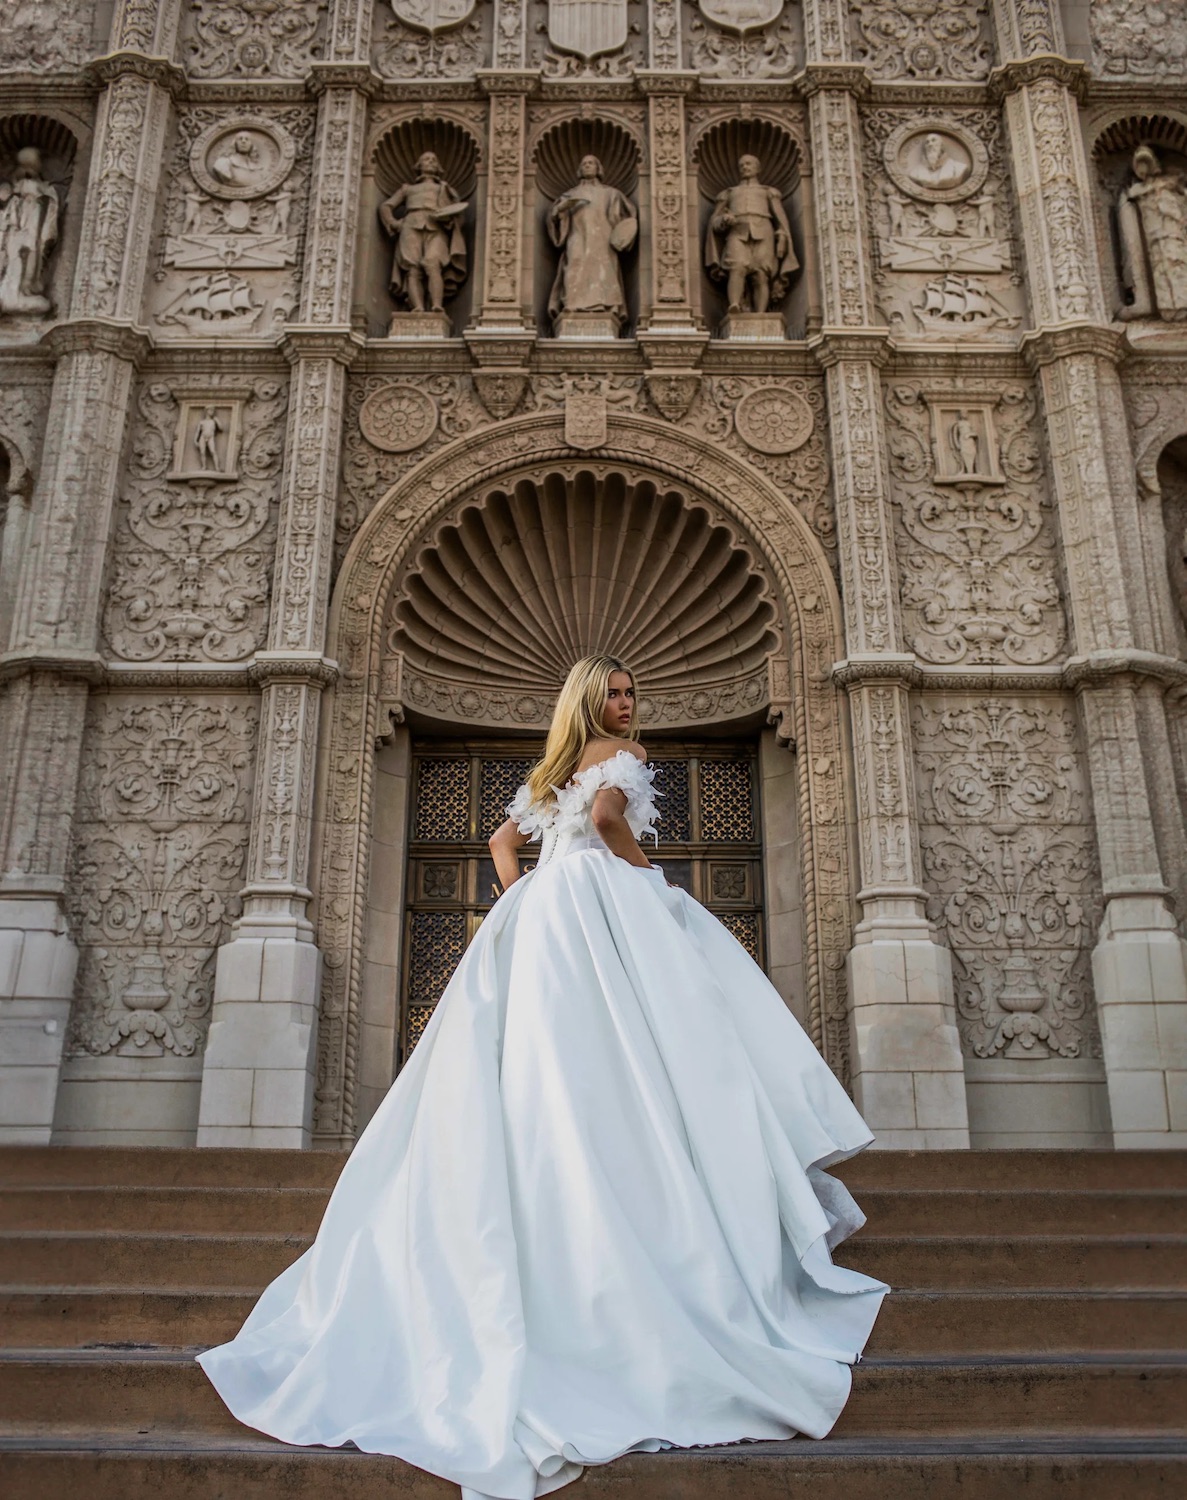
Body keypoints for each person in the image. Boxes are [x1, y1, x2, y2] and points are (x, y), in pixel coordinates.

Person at [198, 654, 888, 1500]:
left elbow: (500, 842)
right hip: (601, 906)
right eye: (615, 695)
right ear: (592, 704)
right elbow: (604, 821)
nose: (629, 705)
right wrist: (644, 877)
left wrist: (524, 890)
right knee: (646, 1045)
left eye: (632, 692)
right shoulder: (620, 763)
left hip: (541, 915)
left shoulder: (550, 769)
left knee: (542, 1059)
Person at [547, 155, 637, 331]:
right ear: (580, 169)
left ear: (598, 168)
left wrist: (623, 233)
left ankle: (606, 308)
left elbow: (629, 218)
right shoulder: (569, 195)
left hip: (603, 240)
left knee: (603, 272)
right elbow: (553, 218)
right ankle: (572, 307)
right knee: (574, 268)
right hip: (577, 238)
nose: (587, 166)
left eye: (591, 163)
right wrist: (559, 211)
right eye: (584, 164)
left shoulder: (611, 193)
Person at [705, 154, 797, 315]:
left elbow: (780, 218)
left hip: (764, 231)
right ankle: (734, 305)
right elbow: (715, 223)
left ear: (758, 168)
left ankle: (761, 313)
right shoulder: (729, 193)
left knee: (761, 274)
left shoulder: (768, 192)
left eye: (749, 164)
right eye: (741, 165)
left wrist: (782, 235)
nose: (745, 167)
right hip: (737, 232)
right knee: (737, 267)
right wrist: (724, 220)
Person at [379, 150, 468, 314]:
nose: (431, 161)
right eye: (426, 159)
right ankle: (418, 307)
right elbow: (386, 206)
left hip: (436, 226)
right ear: (418, 166)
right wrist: (393, 223)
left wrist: (450, 220)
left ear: (439, 167)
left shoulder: (444, 188)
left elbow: (458, 212)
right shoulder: (408, 189)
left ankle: (436, 305)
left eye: (434, 159)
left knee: (432, 262)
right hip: (410, 225)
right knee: (413, 268)